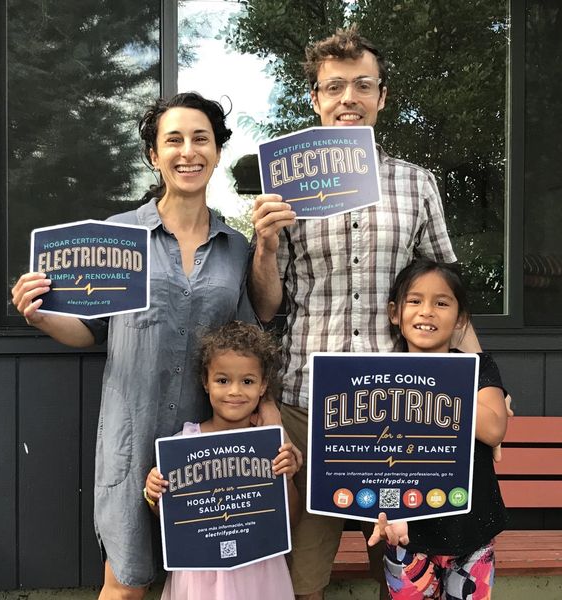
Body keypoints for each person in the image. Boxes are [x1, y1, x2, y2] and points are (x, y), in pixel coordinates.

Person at [11, 92, 280, 600]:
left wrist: (268, 427)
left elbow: (250, 342)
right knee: (128, 584)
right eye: (172, 139)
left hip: (209, 447)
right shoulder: (118, 237)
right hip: (132, 444)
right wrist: (41, 315)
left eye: (201, 139)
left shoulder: (236, 247)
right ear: (154, 156)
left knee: (201, 582)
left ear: (218, 152)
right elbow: (88, 331)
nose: (188, 151)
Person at [248, 25, 481, 600]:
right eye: (334, 87)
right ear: (316, 98)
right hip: (306, 398)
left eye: (361, 85)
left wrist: (485, 380)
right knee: (303, 574)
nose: (347, 98)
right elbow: (266, 306)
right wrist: (267, 246)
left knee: (406, 570)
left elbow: (448, 293)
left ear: (381, 96)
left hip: (398, 403)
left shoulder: (416, 184)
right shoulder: (286, 187)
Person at [369, 258, 508, 599]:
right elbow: (370, 457)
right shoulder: (375, 377)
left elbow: (492, 429)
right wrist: (386, 510)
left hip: (471, 528)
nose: (426, 311)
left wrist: (429, 378)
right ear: (394, 312)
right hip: (406, 530)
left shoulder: (478, 367)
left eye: (441, 303)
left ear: (460, 318)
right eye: (414, 301)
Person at [144, 321, 299, 599]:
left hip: (258, 568)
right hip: (200, 572)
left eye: (247, 381)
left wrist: (285, 478)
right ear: (206, 382)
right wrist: (154, 493)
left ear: (263, 386)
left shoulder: (270, 446)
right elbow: (174, 517)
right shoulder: (183, 442)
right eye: (223, 380)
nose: (235, 391)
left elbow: (291, 518)